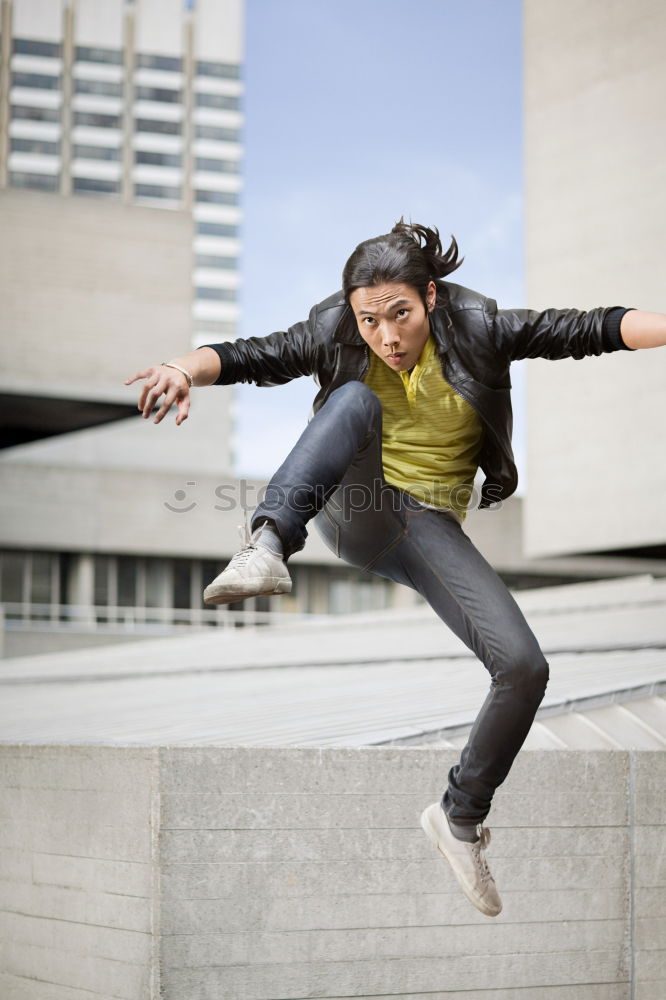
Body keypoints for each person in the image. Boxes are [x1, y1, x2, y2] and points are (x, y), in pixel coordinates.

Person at [124, 220, 666, 918]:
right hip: (358, 504)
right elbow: (250, 354)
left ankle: (460, 816)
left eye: (400, 315)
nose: (386, 336)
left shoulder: (480, 325)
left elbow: (586, 328)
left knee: (525, 667)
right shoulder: (333, 330)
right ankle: (266, 544)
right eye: (369, 320)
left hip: (428, 527)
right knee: (352, 398)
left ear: (432, 298)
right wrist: (183, 368)